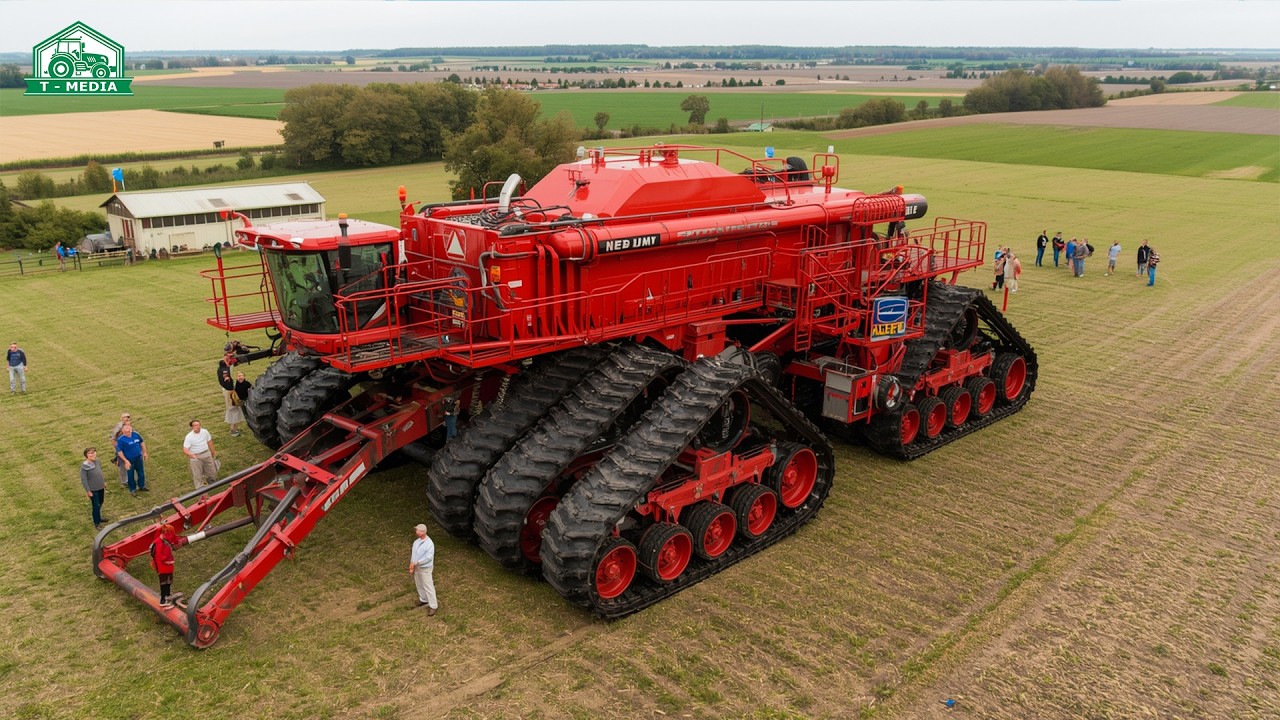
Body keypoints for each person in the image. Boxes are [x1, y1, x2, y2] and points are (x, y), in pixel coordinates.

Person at [409, 523, 438, 615]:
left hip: (425, 568)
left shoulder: (429, 544)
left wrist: (417, 563)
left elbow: (428, 558)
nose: (417, 532)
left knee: (428, 586)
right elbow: (413, 554)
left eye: (419, 531)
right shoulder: (416, 542)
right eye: (416, 530)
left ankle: (433, 606)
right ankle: (423, 599)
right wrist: (412, 565)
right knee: (419, 583)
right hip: (417, 567)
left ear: (424, 532)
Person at [114, 421, 149, 495]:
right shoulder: (121, 440)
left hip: (138, 457)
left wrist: (144, 452)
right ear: (122, 430)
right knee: (130, 474)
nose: (128, 428)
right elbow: (119, 451)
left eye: (129, 427)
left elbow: (142, 443)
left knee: (141, 472)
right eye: (126, 427)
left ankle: (142, 486)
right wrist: (125, 460)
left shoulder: (135, 434)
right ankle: (132, 489)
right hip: (129, 460)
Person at [182, 419, 218, 489]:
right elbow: (185, 449)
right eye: (195, 425)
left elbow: (209, 442)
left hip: (206, 453)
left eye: (198, 425)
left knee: (211, 470)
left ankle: (212, 481)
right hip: (196, 456)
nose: (197, 426)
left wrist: (212, 452)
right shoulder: (189, 436)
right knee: (197, 474)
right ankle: (199, 487)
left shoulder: (205, 432)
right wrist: (193, 455)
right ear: (192, 427)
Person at [150, 524, 178, 607]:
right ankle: (163, 600)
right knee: (164, 582)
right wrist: (167, 559)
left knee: (168, 581)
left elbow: (174, 540)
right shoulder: (159, 542)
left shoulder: (163, 539)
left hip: (167, 565)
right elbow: (159, 555)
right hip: (163, 566)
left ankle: (168, 594)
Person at [81, 448, 108, 530]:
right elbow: (84, 479)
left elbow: (100, 472)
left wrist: (103, 482)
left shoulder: (97, 461)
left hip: (100, 487)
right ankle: (97, 523)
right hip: (93, 489)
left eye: (93, 452)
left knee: (101, 502)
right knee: (96, 505)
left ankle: (99, 517)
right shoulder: (84, 466)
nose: (92, 454)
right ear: (86, 455)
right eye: (89, 453)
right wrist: (88, 491)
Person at [217, 348, 241, 436]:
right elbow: (226, 381)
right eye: (230, 356)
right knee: (232, 409)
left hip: (230, 389)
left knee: (235, 408)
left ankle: (235, 427)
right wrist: (231, 391)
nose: (233, 358)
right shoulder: (225, 370)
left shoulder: (225, 366)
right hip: (229, 390)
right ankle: (233, 429)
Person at [110, 412, 132, 487]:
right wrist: (118, 448)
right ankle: (124, 481)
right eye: (125, 417)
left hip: (128, 447)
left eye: (128, 417)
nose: (127, 418)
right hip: (121, 447)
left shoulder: (128, 425)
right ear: (121, 418)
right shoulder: (119, 427)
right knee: (122, 465)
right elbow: (112, 439)